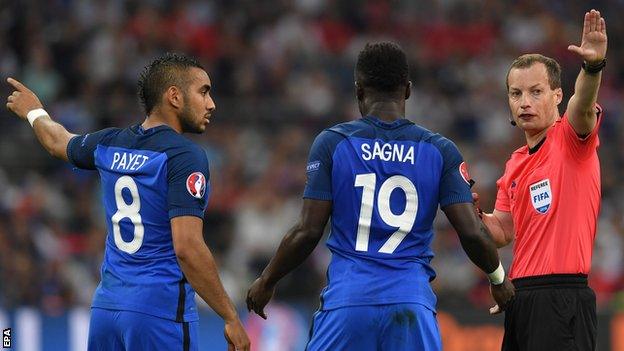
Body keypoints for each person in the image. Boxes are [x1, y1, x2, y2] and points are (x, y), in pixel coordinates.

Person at [246, 42, 515, 350]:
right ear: (408, 90)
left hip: (348, 303)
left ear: (359, 91)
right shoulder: (439, 150)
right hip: (411, 304)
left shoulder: (333, 143)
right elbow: (471, 231)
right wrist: (498, 279)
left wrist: (266, 281)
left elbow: (308, 232)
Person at [5, 53, 250, 351]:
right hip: (159, 313)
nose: (211, 104)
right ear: (174, 96)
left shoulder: (109, 142)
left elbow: (59, 142)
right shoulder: (185, 156)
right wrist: (230, 315)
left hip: (107, 310)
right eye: (203, 92)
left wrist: (35, 112)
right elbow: (187, 247)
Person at [474, 9, 607, 351]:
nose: (524, 103)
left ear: (557, 95)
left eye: (535, 92)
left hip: (563, 297)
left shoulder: (571, 137)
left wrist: (592, 68)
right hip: (521, 297)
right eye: (516, 94)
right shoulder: (515, 163)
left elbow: (583, 103)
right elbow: (502, 231)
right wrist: (472, 214)